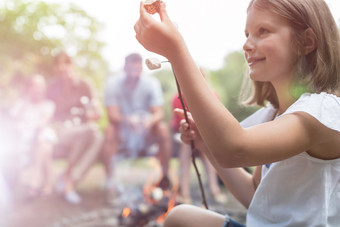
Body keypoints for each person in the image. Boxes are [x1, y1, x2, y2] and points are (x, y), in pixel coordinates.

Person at [134, 0, 340, 226]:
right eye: (247, 34)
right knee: (180, 217)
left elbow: (234, 149)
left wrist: (176, 51)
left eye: (263, 31)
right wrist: (206, 145)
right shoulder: (273, 115)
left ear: (306, 41)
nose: (247, 45)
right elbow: (256, 196)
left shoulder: (322, 113)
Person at [103, 53, 172, 192]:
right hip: (123, 132)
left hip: (147, 133)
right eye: (130, 70)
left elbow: (158, 112)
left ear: (141, 69)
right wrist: (128, 120)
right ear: (124, 68)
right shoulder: (112, 83)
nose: (134, 74)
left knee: (163, 129)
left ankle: (164, 176)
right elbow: (112, 114)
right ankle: (111, 180)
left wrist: (150, 121)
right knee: (109, 130)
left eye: (137, 70)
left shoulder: (151, 83)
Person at [47, 51, 103, 204]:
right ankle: (69, 179)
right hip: (61, 130)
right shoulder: (53, 87)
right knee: (92, 132)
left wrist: (94, 112)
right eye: (57, 66)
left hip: (81, 129)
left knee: (96, 136)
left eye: (64, 65)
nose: (61, 69)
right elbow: (47, 112)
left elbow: (96, 111)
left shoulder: (85, 84)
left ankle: (69, 180)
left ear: (72, 66)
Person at [170, 69, 227, 204]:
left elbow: (214, 120)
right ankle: (186, 192)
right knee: (187, 147)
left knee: (205, 149)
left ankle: (212, 190)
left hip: (204, 136)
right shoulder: (178, 98)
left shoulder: (212, 96)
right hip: (184, 135)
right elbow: (178, 122)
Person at [10, 74, 57, 198]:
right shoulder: (21, 104)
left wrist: (27, 128)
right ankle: (47, 184)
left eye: (40, 85)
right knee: (45, 148)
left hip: (40, 135)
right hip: (24, 138)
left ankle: (34, 182)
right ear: (28, 88)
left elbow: (42, 123)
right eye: (33, 85)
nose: (36, 89)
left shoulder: (48, 104)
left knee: (43, 141)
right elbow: (12, 120)